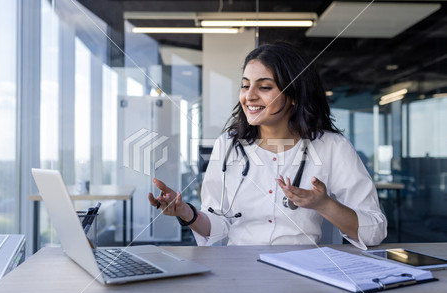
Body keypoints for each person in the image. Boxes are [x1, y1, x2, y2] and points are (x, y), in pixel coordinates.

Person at [148, 41, 387, 249]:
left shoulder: (332, 147)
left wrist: (324, 205)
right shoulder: (228, 145)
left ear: (293, 95)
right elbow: (218, 226)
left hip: (303, 271)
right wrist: (185, 212)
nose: (249, 96)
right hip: (240, 272)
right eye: (245, 85)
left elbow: (374, 230)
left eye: (264, 87)